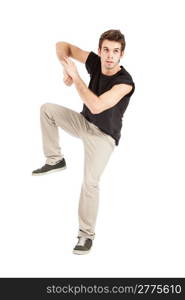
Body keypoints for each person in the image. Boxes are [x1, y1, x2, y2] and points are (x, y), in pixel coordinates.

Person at [32, 29, 135, 255]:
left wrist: (76, 77)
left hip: (103, 137)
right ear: (99, 51)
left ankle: (85, 235)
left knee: (90, 183)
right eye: (106, 50)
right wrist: (65, 67)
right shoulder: (95, 62)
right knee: (47, 110)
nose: (109, 56)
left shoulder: (125, 83)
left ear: (121, 55)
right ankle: (55, 158)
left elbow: (97, 105)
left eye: (115, 51)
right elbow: (61, 44)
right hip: (84, 123)